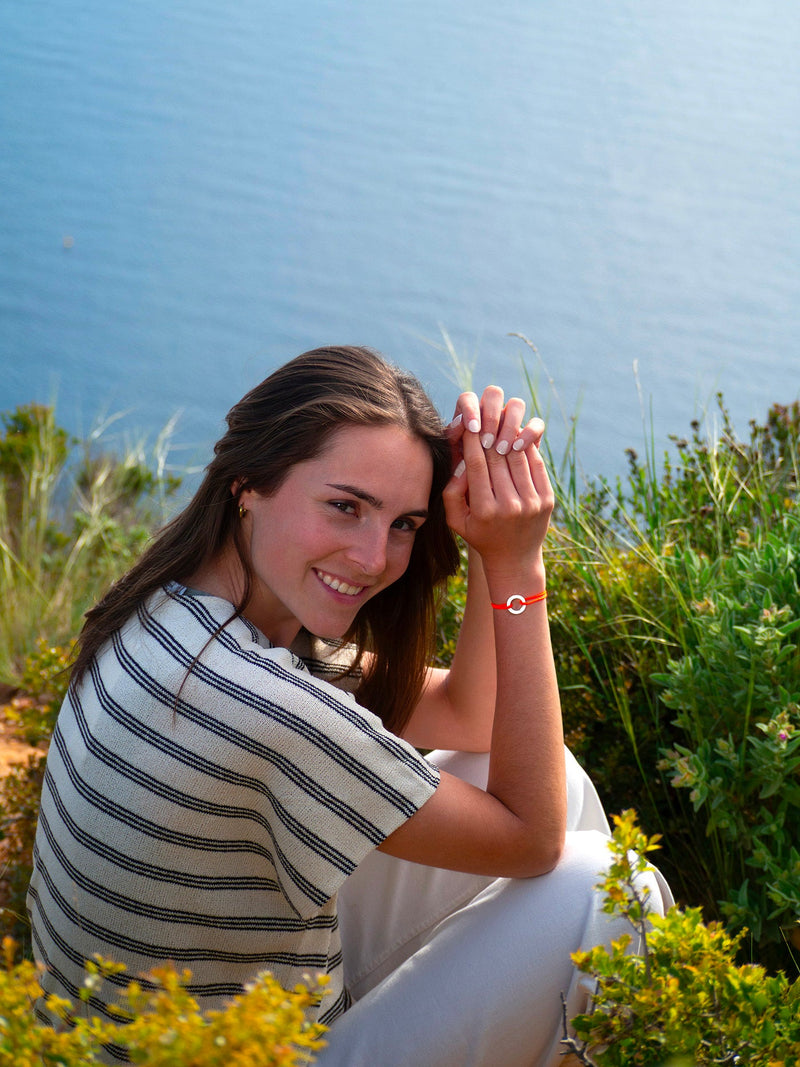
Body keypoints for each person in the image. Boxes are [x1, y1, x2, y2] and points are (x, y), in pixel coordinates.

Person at [28, 345, 671, 1066]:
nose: (373, 558)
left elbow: (470, 716)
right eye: (345, 507)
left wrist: (494, 547)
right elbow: (532, 839)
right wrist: (522, 568)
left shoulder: (176, 611)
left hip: (146, 1031)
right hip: (236, 1053)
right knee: (614, 890)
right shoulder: (261, 702)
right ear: (249, 483)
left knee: (548, 775)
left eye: (404, 524)